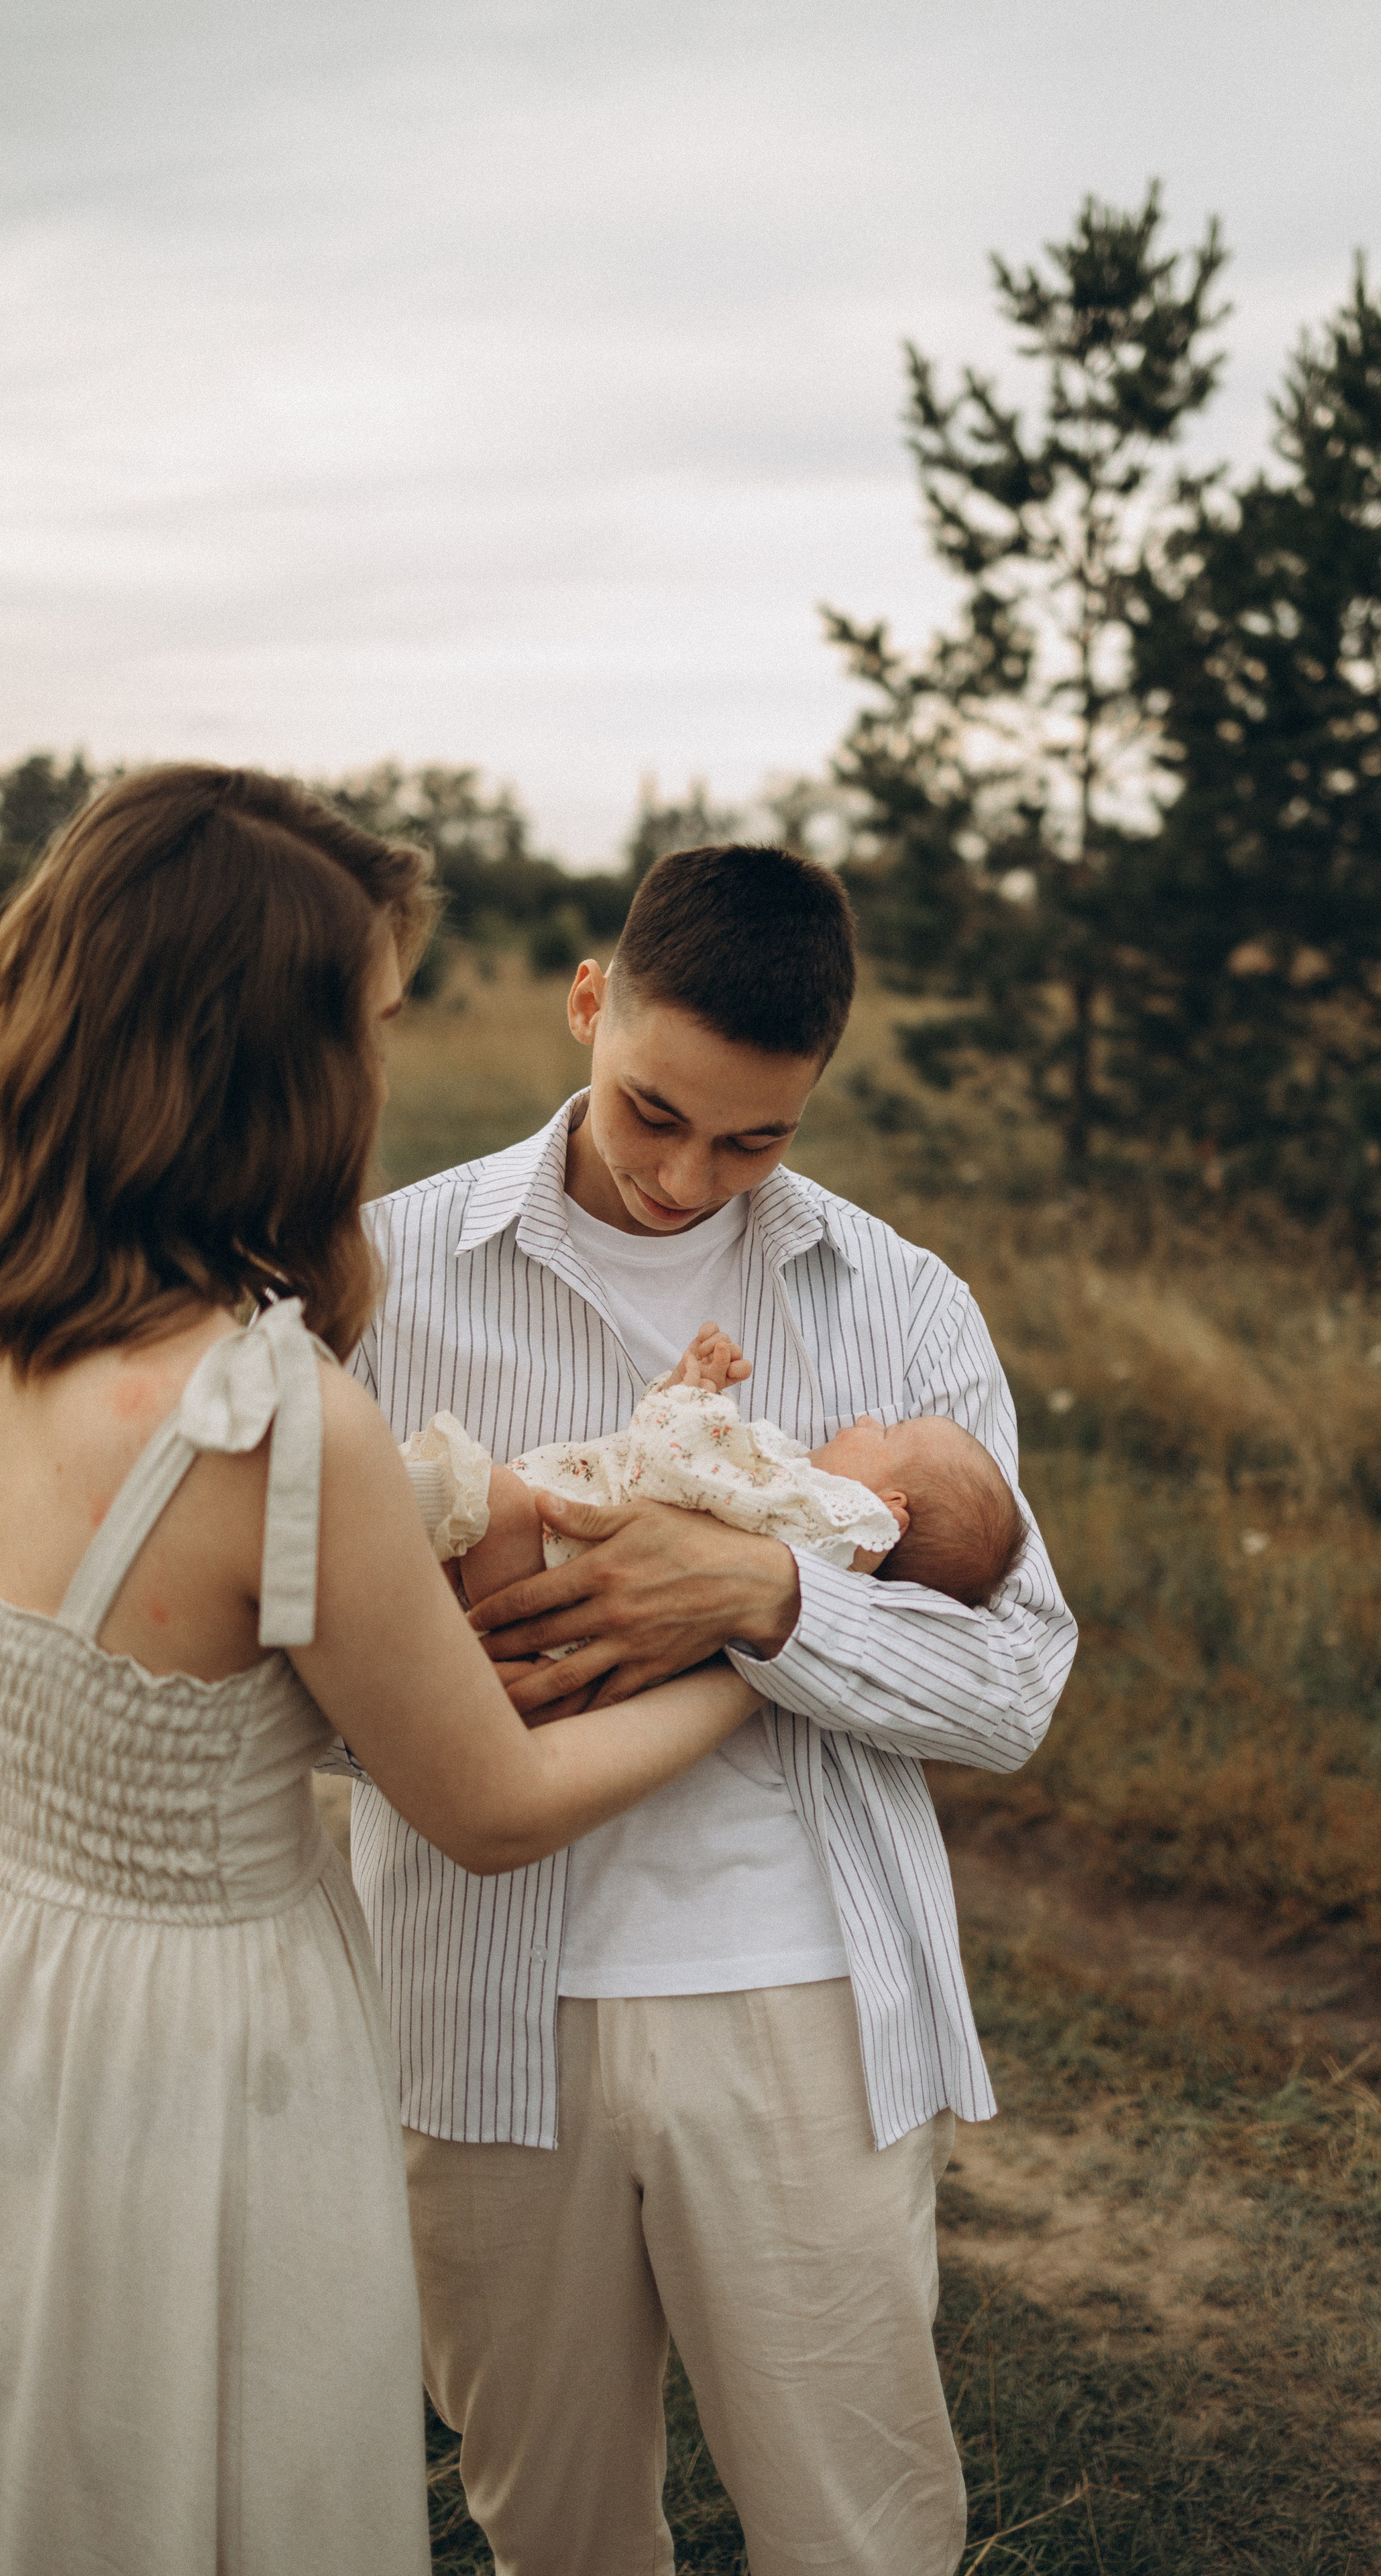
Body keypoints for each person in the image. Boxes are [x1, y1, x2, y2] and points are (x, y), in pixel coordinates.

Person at [0, 768, 759, 2576]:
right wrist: (744, 1639)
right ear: (277, 1062)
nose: (386, 1065)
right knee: (213, 2459)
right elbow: (488, 1809)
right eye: (373, 1021)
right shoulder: (272, 1422)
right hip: (204, 2055)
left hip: (30, 1989)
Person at [349, 841, 1079, 2576]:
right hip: (477, 2004)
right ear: (588, 1004)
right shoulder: (388, 1275)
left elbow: (1015, 1680)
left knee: (856, 2529)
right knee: (554, 2527)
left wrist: (764, 1600)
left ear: (815, 1092)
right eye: (653, 1111)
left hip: (800, 1993)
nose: (690, 1177)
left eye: (757, 1138)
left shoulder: (899, 1303)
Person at [405, 1316, 1030, 1609]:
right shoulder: (798, 1521)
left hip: (549, 1548)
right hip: (552, 1565)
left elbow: (674, 1468)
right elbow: (678, 1473)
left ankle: (359, 1494)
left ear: (886, 1510)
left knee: (482, 1493)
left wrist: (692, 1400)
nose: (867, 1421)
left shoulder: (803, 1511)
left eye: (887, 1436)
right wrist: (681, 1392)